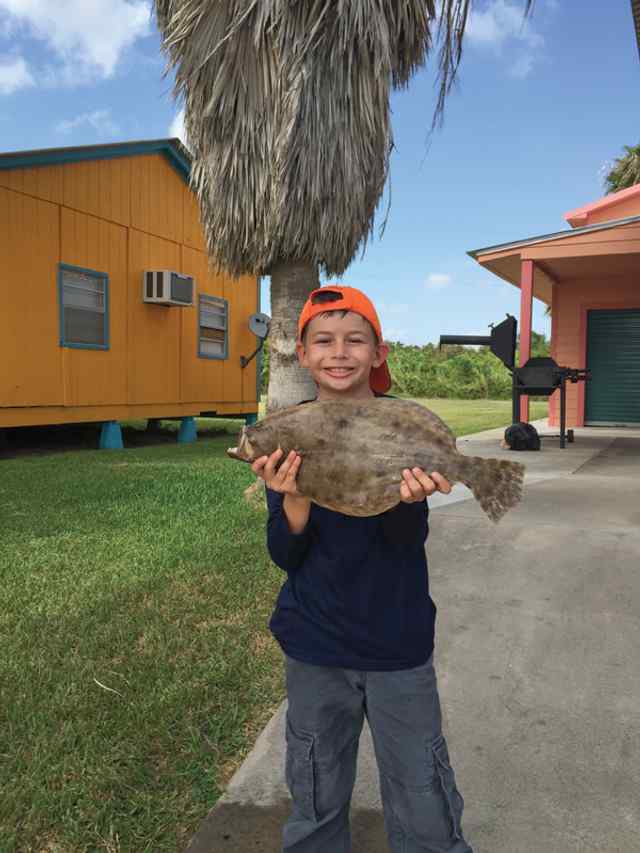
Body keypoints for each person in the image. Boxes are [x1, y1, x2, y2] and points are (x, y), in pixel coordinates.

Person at [251, 285, 473, 853]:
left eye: (355, 340)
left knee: (422, 790)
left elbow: (406, 541)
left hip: (398, 642)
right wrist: (294, 496)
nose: (339, 352)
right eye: (323, 340)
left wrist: (408, 499)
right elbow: (286, 555)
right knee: (316, 784)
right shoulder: (291, 431)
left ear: (378, 352)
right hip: (315, 642)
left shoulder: (398, 425)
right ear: (303, 354)